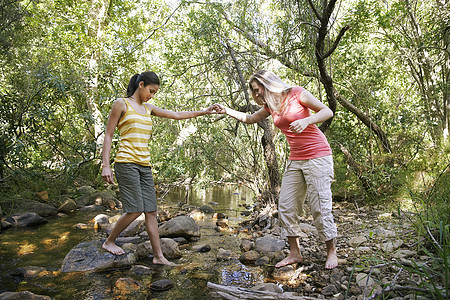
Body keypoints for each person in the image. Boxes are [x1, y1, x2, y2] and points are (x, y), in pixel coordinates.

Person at [214, 70, 338, 269]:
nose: (256, 95)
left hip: (318, 156)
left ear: (268, 84)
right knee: (287, 206)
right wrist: (226, 110)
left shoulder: (296, 93)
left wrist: (307, 120)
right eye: (253, 92)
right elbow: (251, 118)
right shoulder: (270, 106)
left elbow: (327, 111)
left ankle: (331, 252)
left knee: (320, 207)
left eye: (257, 89)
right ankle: (295, 253)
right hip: (296, 159)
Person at [101, 71, 216, 266]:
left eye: (154, 93)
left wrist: (205, 111)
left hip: (144, 165)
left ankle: (158, 257)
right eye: (151, 91)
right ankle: (109, 241)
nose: (152, 95)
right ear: (141, 85)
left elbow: (177, 115)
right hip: (126, 163)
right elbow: (109, 135)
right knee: (135, 209)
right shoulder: (122, 103)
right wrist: (106, 165)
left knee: (151, 211)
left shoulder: (149, 108)